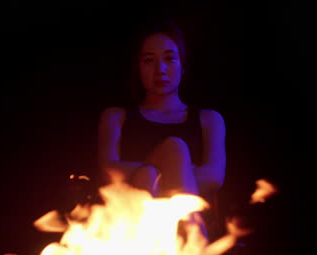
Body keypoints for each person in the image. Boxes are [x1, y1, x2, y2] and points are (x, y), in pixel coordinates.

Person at [97, 19, 226, 205]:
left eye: (169, 58)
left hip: (191, 214)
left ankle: (190, 230)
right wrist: (175, 166)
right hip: (128, 218)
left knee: (172, 151)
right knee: (171, 152)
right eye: (149, 60)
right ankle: (193, 232)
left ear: (182, 66)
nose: (160, 70)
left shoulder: (209, 120)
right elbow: (109, 174)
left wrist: (154, 170)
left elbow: (214, 177)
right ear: (138, 68)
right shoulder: (116, 118)